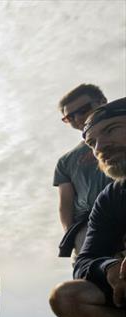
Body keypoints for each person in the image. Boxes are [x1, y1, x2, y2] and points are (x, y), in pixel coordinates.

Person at [49, 98, 126, 317]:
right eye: (92, 142)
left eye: (112, 130)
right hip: (93, 230)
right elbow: (86, 261)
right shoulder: (111, 198)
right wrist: (109, 268)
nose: (100, 146)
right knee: (66, 296)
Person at [55, 84, 111, 262]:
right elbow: (66, 204)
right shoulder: (65, 161)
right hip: (87, 227)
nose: (78, 118)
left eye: (84, 109)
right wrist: (70, 235)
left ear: (102, 102)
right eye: (69, 116)